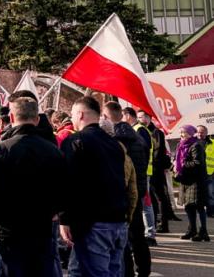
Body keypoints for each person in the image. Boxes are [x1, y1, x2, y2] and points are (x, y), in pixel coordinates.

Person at [0, 97, 67, 277]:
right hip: (39, 229)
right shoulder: (52, 151)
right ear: (37, 119)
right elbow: (63, 190)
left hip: (7, 231)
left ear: (11, 117)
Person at [60, 97, 131, 276]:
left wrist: (65, 219)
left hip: (93, 222)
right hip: (117, 220)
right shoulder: (114, 144)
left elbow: (69, 182)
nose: (72, 120)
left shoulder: (76, 141)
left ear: (80, 114)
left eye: (73, 115)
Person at [103, 101, 150, 277]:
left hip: (123, 193)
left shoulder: (115, 141)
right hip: (138, 189)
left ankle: (127, 272)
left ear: (107, 117)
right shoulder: (136, 136)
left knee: (122, 239)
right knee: (137, 235)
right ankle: (144, 269)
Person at [127, 108, 157, 245]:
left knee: (145, 204)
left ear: (127, 116)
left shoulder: (139, 129)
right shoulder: (138, 128)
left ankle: (150, 234)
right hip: (142, 171)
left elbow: (143, 150)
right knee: (144, 203)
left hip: (143, 172)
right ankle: (148, 232)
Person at [174, 125, 209, 241]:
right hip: (186, 180)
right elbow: (178, 160)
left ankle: (203, 232)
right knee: (188, 206)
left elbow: (198, 163)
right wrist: (174, 166)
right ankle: (192, 230)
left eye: (183, 133)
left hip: (196, 181)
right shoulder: (181, 145)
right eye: (181, 133)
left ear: (190, 133)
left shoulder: (196, 145)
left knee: (199, 207)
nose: (182, 135)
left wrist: (183, 165)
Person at [198, 125, 214, 214]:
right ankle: (200, 211)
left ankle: (211, 211)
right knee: (199, 193)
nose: (200, 134)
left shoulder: (212, 143)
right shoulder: (193, 142)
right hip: (197, 173)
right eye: (198, 132)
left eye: (202, 132)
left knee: (210, 193)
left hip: (209, 172)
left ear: (206, 133)